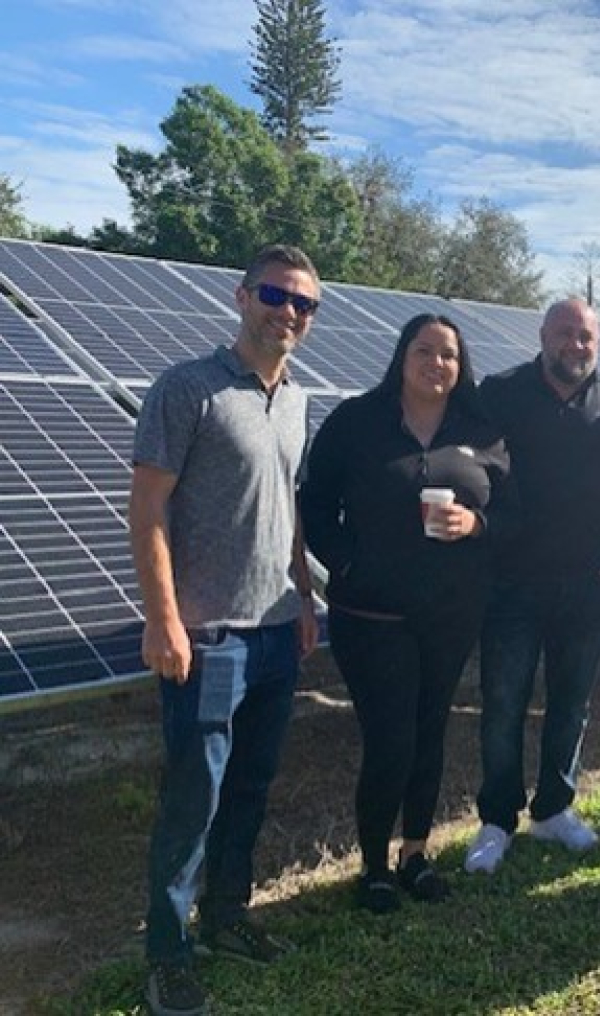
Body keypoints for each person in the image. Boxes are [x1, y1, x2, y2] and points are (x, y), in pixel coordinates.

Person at [130, 244, 321, 1016]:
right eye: (276, 295)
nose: (288, 312)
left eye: (304, 304)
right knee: (193, 799)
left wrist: (305, 599)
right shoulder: (188, 389)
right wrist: (164, 619)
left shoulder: (299, 400)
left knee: (250, 787)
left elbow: (291, 513)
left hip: (277, 631)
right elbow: (148, 511)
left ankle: (228, 918)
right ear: (243, 297)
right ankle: (167, 955)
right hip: (209, 639)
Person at [300, 313, 514, 913]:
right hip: (371, 617)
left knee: (429, 733)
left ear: (460, 365)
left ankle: (415, 855)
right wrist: (346, 564)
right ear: (402, 356)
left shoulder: (482, 430)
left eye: (448, 354)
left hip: (451, 613)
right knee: (390, 738)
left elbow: (514, 516)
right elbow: (314, 507)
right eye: (425, 351)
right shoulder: (355, 422)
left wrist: (476, 523)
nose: (437, 363)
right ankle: (372, 866)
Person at [465, 297, 600, 874]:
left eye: (587, 337)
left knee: (571, 704)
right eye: (565, 333)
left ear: (599, 343)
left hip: (589, 583)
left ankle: (554, 809)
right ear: (543, 335)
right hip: (510, 583)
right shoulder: (498, 392)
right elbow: (467, 467)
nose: (576, 345)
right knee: (502, 705)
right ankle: (497, 819)